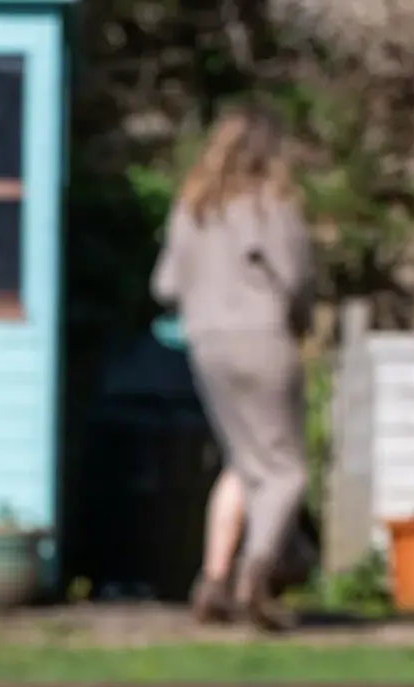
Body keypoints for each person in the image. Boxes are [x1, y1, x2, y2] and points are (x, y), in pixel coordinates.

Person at [151, 108, 317, 631]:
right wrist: (301, 319)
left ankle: (214, 582)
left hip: (205, 344)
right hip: (261, 338)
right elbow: (296, 279)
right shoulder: (271, 204)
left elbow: (165, 287)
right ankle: (257, 575)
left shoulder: (191, 209)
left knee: (247, 463)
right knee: (287, 470)